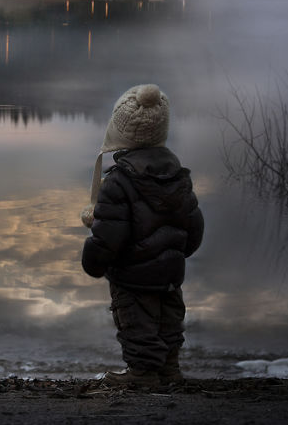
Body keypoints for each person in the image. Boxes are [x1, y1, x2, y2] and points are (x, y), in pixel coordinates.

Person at [80, 84, 204, 388]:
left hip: (132, 276)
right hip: (171, 272)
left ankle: (142, 373)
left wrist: (93, 261)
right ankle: (169, 369)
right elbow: (194, 228)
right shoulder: (177, 175)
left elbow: (109, 236)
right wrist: (173, 252)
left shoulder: (118, 182)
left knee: (136, 324)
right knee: (169, 321)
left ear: (121, 131)